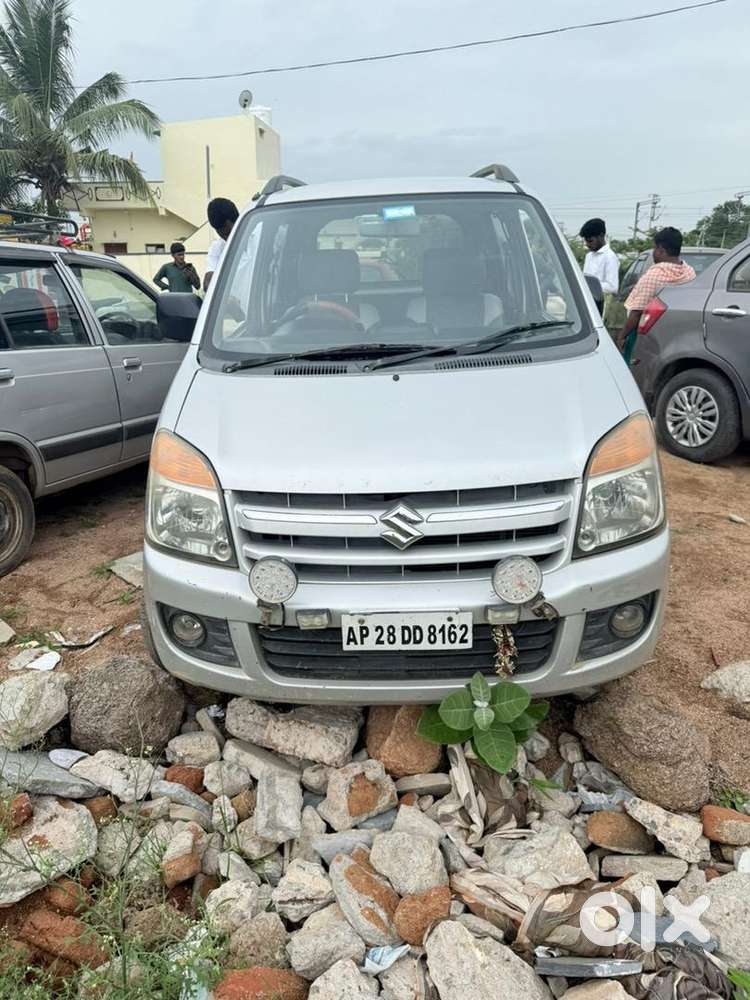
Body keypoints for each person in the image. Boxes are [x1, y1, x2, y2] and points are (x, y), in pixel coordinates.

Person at [618, 227, 696, 363]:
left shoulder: (653, 276)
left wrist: (622, 336)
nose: (654, 253)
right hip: (680, 333)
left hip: (649, 336)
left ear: (661, 250)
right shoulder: (690, 272)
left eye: (654, 249)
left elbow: (636, 312)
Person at [579, 218, 620, 315]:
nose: (587, 244)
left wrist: (590, 286)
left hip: (600, 306)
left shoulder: (610, 257)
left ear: (601, 236)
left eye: (590, 241)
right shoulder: (589, 256)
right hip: (587, 302)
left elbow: (612, 287)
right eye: (586, 241)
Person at [204, 198, 240, 291]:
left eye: (229, 233)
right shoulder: (217, 247)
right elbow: (208, 284)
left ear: (238, 221)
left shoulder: (261, 237)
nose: (227, 238)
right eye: (222, 235)